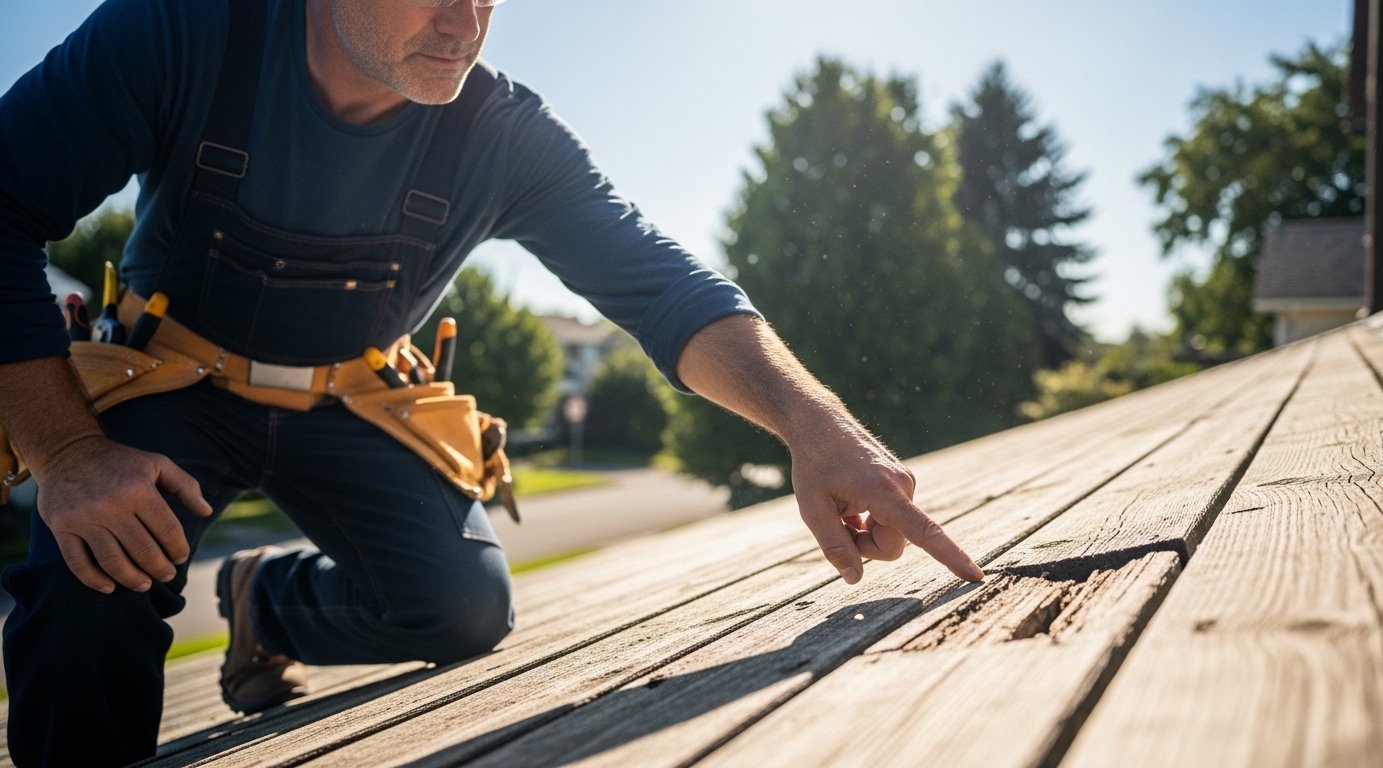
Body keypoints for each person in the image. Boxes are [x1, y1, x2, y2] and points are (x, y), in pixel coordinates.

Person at [0, 0, 985, 763]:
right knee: (87, 590)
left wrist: (812, 425)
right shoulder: (181, 32)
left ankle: (269, 604)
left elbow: (659, 285)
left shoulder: (502, 134)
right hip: (172, 378)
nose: (461, 20)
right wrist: (68, 451)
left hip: (351, 393)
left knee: (464, 609)